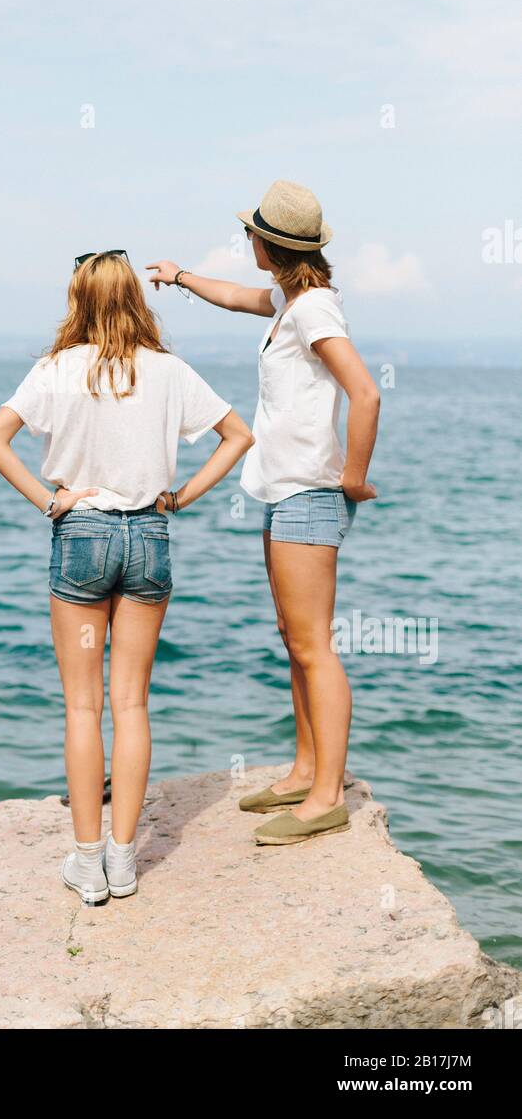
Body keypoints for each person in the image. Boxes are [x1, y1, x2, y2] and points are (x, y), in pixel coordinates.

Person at [0, 251, 254, 901]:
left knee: (83, 706)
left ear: (78, 298)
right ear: (135, 297)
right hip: (149, 539)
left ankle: (87, 863)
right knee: (131, 703)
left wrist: (49, 500)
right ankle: (126, 861)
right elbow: (238, 435)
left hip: (82, 537)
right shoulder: (168, 370)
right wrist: (181, 497)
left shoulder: (56, 369)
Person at [148, 180, 380, 845]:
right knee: (294, 639)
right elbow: (242, 298)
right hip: (285, 492)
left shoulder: (314, 313)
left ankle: (327, 796)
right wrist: (183, 278)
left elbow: (365, 394)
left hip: (310, 491)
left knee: (315, 647)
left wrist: (353, 479)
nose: (245, 239)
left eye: (251, 232)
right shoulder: (290, 301)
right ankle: (306, 770)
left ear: (269, 243)